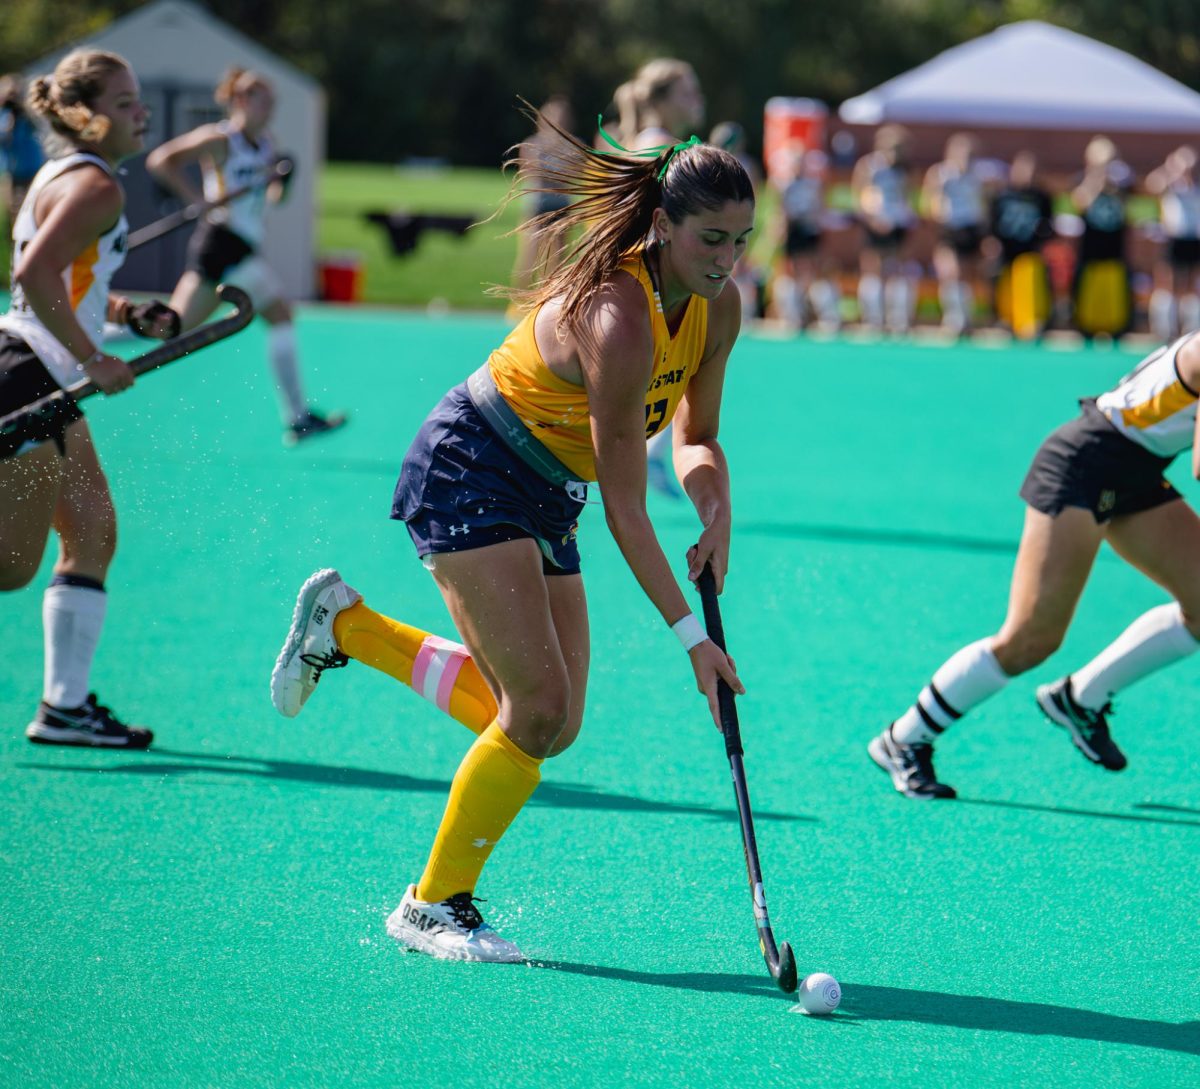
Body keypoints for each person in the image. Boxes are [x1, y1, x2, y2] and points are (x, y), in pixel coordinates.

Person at [270, 111, 754, 960]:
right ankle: (431, 904)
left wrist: (716, 507)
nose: (726, 258)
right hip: (472, 465)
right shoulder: (620, 316)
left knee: (549, 721)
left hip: (546, 488)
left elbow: (696, 437)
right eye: (711, 238)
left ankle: (346, 626)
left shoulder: (720, 310)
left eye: (742, 240)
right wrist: (690, 639)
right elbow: (627, 507)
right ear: (664, 225)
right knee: (535, 708)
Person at [869, 332, 1200, 799]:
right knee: (1031, 638)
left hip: (1138, 472)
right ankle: (903, 738)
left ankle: (1080, 698)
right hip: (1083, 464)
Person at [0, 50, 180, 747]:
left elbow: (66, 283)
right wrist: (93, 356)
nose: (141, 114)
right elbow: (34, 271)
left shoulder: (62, 172)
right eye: (126, 102)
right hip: (27, 371)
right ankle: (63, 705)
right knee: (11, 567)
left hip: (37, 367)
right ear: (87, 115)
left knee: (93, 531)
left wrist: (128, 315)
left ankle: (64, 706)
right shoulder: (98, 188)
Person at [146, 68, 343, 445]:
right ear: (240, 101)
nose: (270, 108)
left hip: (242, 248)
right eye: (262, 99)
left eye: (272, 101)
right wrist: (197, 200)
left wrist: (282, 183)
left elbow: (272, 200)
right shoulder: (219, 139)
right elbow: (161, 160)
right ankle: (298, 418)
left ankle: (298, 417)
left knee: (170, 327)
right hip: (221, 244)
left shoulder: (267, 143)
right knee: (174, 327)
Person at [611, 58, 706, 499]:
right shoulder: (662, 149)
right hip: (650, 290)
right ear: (664, 101)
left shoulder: (660, 145)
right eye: (688, 92)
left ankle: (648, 454)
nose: (698, 100)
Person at [507, 96, 575, 304]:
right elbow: (529, 172)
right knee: (530, 253)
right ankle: (518, 303)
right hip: (538, 205)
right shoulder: (533, 143)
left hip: (561, 205)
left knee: (558, 258)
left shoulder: (572, 144)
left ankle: (550, 302)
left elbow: (576, 173)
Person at [851, 124, 916, 334]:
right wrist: (872, 219)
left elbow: (907, 197)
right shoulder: (869, 165)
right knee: (873, 268)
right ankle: (873, 318)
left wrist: (904, 218)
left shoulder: (903, 170)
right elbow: (858, 195)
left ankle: (898, 318)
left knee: (898, 269)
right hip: (875, 221)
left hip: (897, 223)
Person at [923, 133, 987, 337]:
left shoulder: (976, 177)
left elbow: (982, 205)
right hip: (949, 226)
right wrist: (936, 214)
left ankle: (966, 316)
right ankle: (953, 317)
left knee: (967, 274)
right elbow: (928, 200)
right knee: (950, 272)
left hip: (970, 227)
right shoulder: (941, 174)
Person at [771, 144, 839, 332]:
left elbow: (820, 208)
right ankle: (793, 314)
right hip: (794, 232)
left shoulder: (813, 184)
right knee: (791, 271)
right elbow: (781, 211)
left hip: (810, 231)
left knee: (814, 270)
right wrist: (780, 230)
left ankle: (822, 314)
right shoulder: (784, 185)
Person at [988, 150, 1054, 340]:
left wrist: (1043, 237)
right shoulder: (1003, 194)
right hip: (1006, 247)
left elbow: (1048, 224)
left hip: (1029, 247)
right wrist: (992, 240)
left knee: (1029, 281)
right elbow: (993, 220)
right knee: (1004, 282)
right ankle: (1005, 319)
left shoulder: (1040, 196)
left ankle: (1030, 321)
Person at [1071, 136, 1133, 339]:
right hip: (1091, 251)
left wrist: (1113, 183)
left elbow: (1127, 211)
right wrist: (1096, 178)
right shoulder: (1083, 181)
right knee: (1089, 304)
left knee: (1113, 300)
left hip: (1114, 251)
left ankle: (1115, 329)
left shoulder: (1121, 186)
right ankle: (1086, 328)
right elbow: (1080, 202)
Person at [1145, 145, 1200, 342]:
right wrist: (1170, 169)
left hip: (1193, 239)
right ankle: (1164, 329)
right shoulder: (1171, 184)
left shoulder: (1196, 186)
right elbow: (1152, 185)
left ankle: (1189, 329)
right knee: (1167, 282)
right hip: (1173, 238)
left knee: (1191, 286)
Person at [0, 74, 46, 232]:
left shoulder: (26, 113)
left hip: (35, 168)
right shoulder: (3, 115)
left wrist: (22, 109)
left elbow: (37, 125)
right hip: (14, 173)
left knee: (41, 207)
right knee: (16, 213)